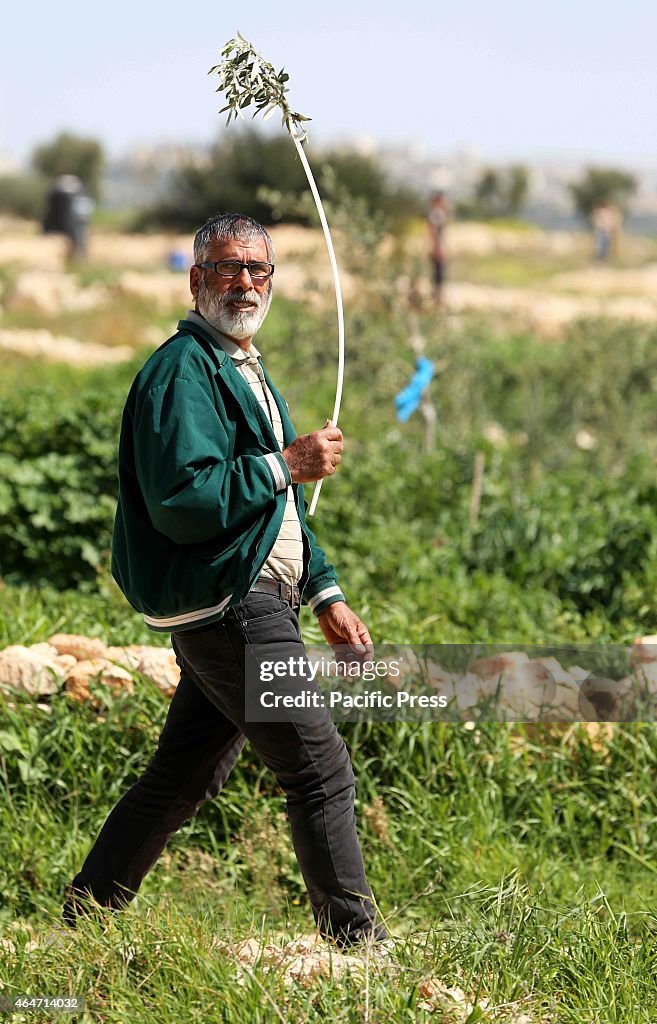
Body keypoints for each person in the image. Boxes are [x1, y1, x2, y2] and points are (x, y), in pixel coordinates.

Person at [61, 213, 387, 950]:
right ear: (196, 278)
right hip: (232, 605)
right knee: (318, 768)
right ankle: (357, 950)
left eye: (257, 270)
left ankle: (84, 917)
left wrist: (325, 593)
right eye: (227, 268)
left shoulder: (241, 366)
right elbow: (183, 501)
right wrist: (285, 463)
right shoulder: (183, 371)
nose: (244, 282)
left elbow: (281, 510)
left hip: (247, 598)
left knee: (184, 775)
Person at [427, 191, 448, 305]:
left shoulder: (435, 212)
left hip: (437, 246)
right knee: (438, 273)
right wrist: (437, 248)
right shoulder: (436, 213)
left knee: (437, 272)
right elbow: (434, 231)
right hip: (437, 247)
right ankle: (437, 298)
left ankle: (436, 296)